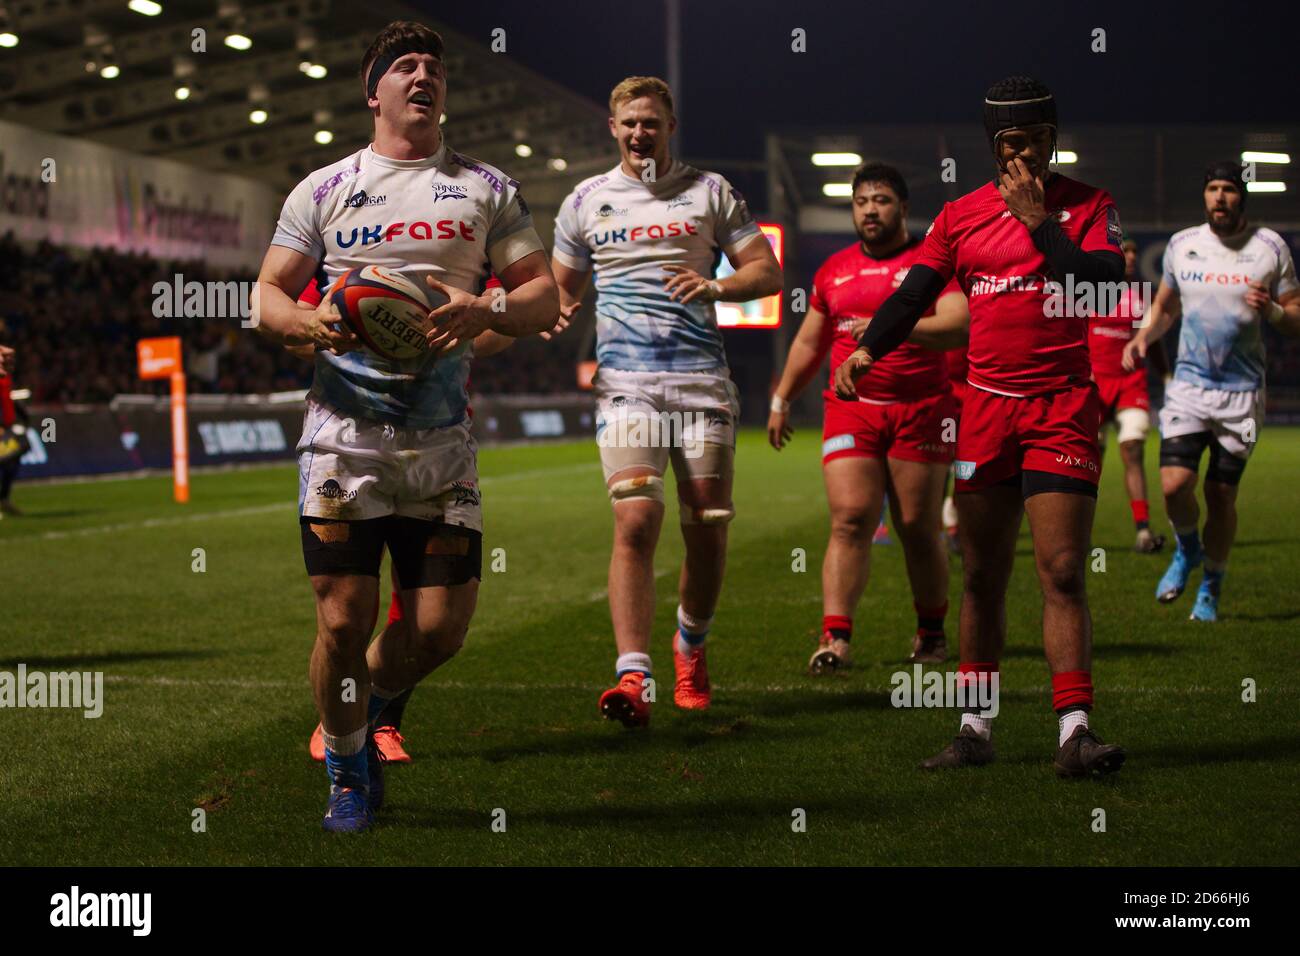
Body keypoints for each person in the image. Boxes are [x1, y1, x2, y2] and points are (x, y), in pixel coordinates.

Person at [253, 20, 559, 831]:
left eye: (434, 67)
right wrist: (308, 324)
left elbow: (542, 297)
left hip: (439, 450)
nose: (424, 75)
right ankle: (348, 771)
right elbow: (267, 299)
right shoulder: (321, 189)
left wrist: (487, 303)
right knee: (344, 617)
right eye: (406, 66)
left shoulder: (485, 187)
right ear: (374, 89)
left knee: (438, 631)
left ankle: (369, 709)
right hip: (341, 443)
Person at [835, 76, 1127, 778]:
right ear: (995, 145)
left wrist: (1038, 224)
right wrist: (870, 346)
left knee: (1060, 570)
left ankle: (1074, 733)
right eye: (1009, 141)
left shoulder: (1088, 207)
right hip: (985, 414)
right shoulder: (961, 215)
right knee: (983, 574)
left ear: (1053, 140)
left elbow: (1101, 284)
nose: (1021, 152)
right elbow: (915, 291)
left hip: (1060, 406)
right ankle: (974, 728)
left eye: (1034, 139)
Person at [551, 75, 782, 726]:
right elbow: (560, 289)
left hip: (701, 378)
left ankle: (691, 644)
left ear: (670, 127)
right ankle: (633, 677)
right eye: (628, 122)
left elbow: (766, 272)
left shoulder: (710, 193)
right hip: (626, 381)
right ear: (613, 127)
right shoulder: (586, 200)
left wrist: (715, 288)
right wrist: (549, 312)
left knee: (706, 527)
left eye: (651, 121)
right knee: (634, 520)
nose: (639, 132)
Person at [767, 163, 967, 671]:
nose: (870, 210)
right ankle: (835, 638)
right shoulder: (833, 270)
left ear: (901, 206)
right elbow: (811, 340)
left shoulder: (931, 261)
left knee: (918, 526)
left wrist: (889, 330)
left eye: (880, 200)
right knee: (851, 518)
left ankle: (931, 632)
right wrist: (782, 398)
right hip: (852, 410)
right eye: (861, 202)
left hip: (921, 409)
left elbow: (956, 325)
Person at [1124, 162, 1300, 620]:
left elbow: (1295, 313)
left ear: (1242, 197)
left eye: (1228, 189)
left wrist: (1275, 315)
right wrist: (1144, 336)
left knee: (1221, 496)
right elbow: (1165, 307)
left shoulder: (1270, 248)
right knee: (1174, 485)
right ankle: (1186, 550)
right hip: (1188, 387)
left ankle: (1211, 588)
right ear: (1204, 196)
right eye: (1212, 189)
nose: (1219, 197)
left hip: (1241, 393)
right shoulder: (1183, 246)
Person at [1089, 237, 1168, 553]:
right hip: (1093, 384)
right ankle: (1078, 534)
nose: (1132, 257)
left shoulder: (1142, 297)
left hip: (1130, 383)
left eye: (1135, 252)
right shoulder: (1088, 292)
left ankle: (1144, 532)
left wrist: (1166, 374)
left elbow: (1155, 340)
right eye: (1127, 251)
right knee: (1089, 458)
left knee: (1133, 449)